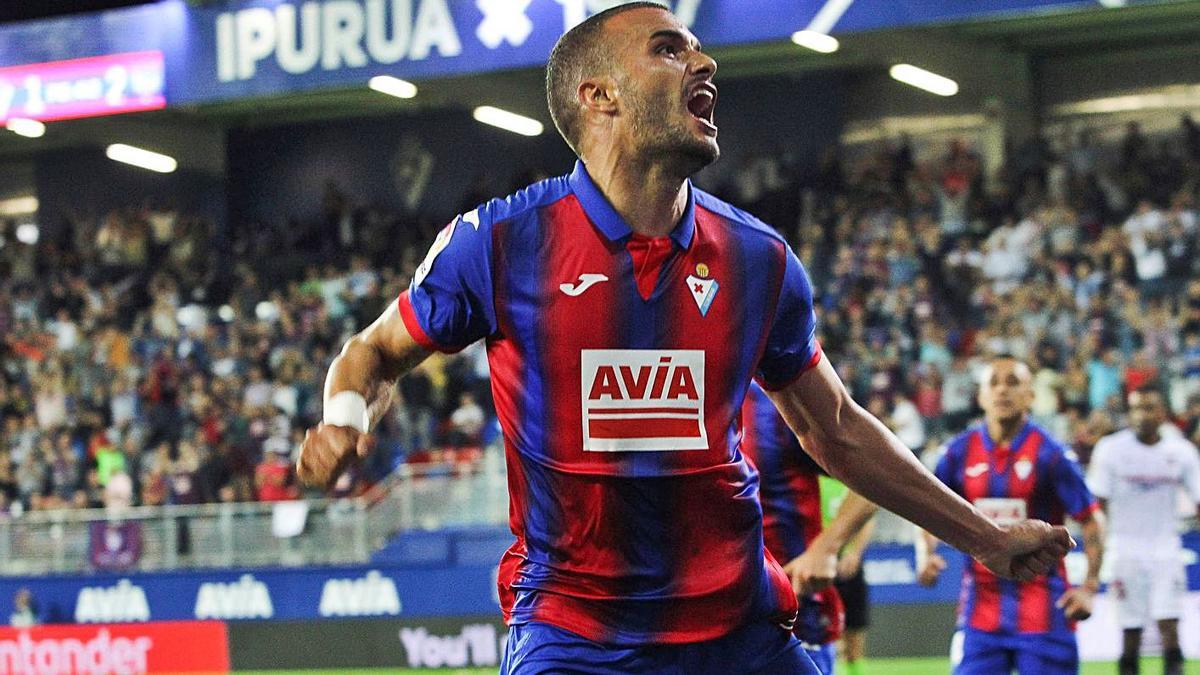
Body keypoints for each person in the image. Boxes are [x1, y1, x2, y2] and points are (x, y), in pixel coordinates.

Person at [298, 5, 1075, 673]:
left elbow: (835, 430)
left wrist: (981, 537)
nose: (702, 59)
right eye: (668, 49)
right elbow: (372, 351)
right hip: (575, 634)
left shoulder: (758, 258)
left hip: (740, 630)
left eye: (696, 47)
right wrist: (345, 419)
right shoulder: (498, 242)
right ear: (596, 95)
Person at [916, 355, 1105, 675]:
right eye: (994, 383)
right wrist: (924, 555)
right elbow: (927, 510)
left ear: (1031, 396)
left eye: (1013, 382)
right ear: (980, 396)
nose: (1002, 390)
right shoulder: (958, 452)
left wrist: (1089, 587)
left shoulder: (1051, 455)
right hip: (980, 612)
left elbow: (1092, 519)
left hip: (1045, 609)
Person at [741, 383, 879, 674]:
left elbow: (875, 474)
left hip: (794, 615)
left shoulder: (777, 406)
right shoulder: (678, 401)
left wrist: (825, 548)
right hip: (708, 619)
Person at [1087, 386, 1200, 675]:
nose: (1141, 415)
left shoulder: (1181, 451)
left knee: (1170, 627)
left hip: (1167, 551)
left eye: (1149, 408)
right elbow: (1096, 506)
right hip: (1124, 551)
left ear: (1162, 413)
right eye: (1136, 408)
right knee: (1130, 632)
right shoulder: (1111, 449)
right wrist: (1100, 549)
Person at [821, 473, 876, 675]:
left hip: (849, 569)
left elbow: (867, 518)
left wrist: (854, 554)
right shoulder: (812, 481)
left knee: (854, 640)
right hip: (819, 569)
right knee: (821, 638)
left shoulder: (851, 481)